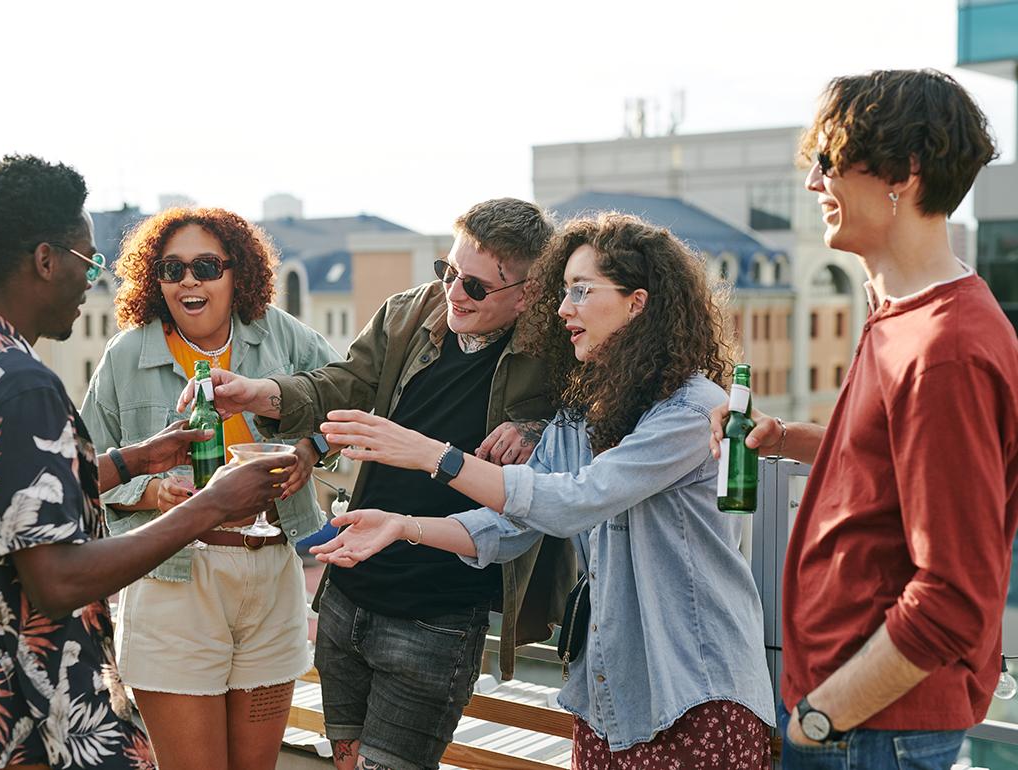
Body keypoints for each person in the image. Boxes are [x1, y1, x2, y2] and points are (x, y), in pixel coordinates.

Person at [311, 213, 777, 770]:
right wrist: (401, 527)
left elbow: (573, 500)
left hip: (694, 693)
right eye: (563, 291)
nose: (562, 309)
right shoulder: (586, 411)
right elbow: (509, 526)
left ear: (638, 302)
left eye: (581, 291)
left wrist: (432, 455)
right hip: (608, 696)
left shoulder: (690, 411)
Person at [177, 198, 577, 770]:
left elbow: (596, 421)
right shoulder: (410, 313)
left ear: (529, 291)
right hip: (348, 591)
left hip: (437, 616)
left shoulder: (562, 345)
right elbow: (344, 382)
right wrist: (257, 391)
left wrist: (536, 426)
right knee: (346, 761)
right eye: (447, 271)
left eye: (476, 286)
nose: (453, 293)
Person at [0, 155, 294, 770]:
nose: (94, 281)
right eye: (88, 260)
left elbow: (4, 495)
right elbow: (58, 579)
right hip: (23, 708)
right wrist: (211, 505)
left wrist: (132, 461)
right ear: (46, 260)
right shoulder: (21, 382)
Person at [706, 69, 1017, 770]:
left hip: (870, 729)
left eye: (828, 161)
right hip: (853, 719)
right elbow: (895, 471)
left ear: (902, 173)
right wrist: (786, 438)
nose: (815, 184)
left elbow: (952, 596)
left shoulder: (946, 349)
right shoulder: (901, 315)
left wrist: (820, 718)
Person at [80, 207, 338, 770]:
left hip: (271, 575)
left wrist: (310, 449)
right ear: (156, 280)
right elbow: (81, 472)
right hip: (175, 582)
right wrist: (152, 494)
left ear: (236, 273)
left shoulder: (281, 335)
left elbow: (349, 394)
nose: (189, 281)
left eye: (205, 266)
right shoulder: (127, 354)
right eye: (172, 270)